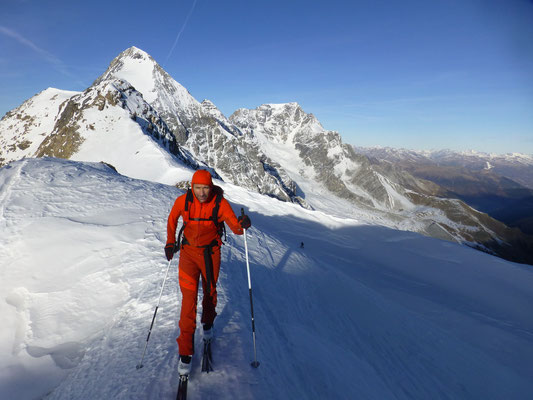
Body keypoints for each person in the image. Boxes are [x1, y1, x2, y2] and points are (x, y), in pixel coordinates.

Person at [165, 169, 251, 375]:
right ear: (192, 187)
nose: (202, 192)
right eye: (198, 188)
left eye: (206, 188)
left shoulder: (220, 204)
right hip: (187, 255)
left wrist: (243, 224)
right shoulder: (183, 201)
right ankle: (185, 351)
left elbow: (236, 228)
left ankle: (208, 323)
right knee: (188, 300)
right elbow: (172, 219)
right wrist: (170, 243)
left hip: (211, 254)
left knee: (210, 291)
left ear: (211, 187)